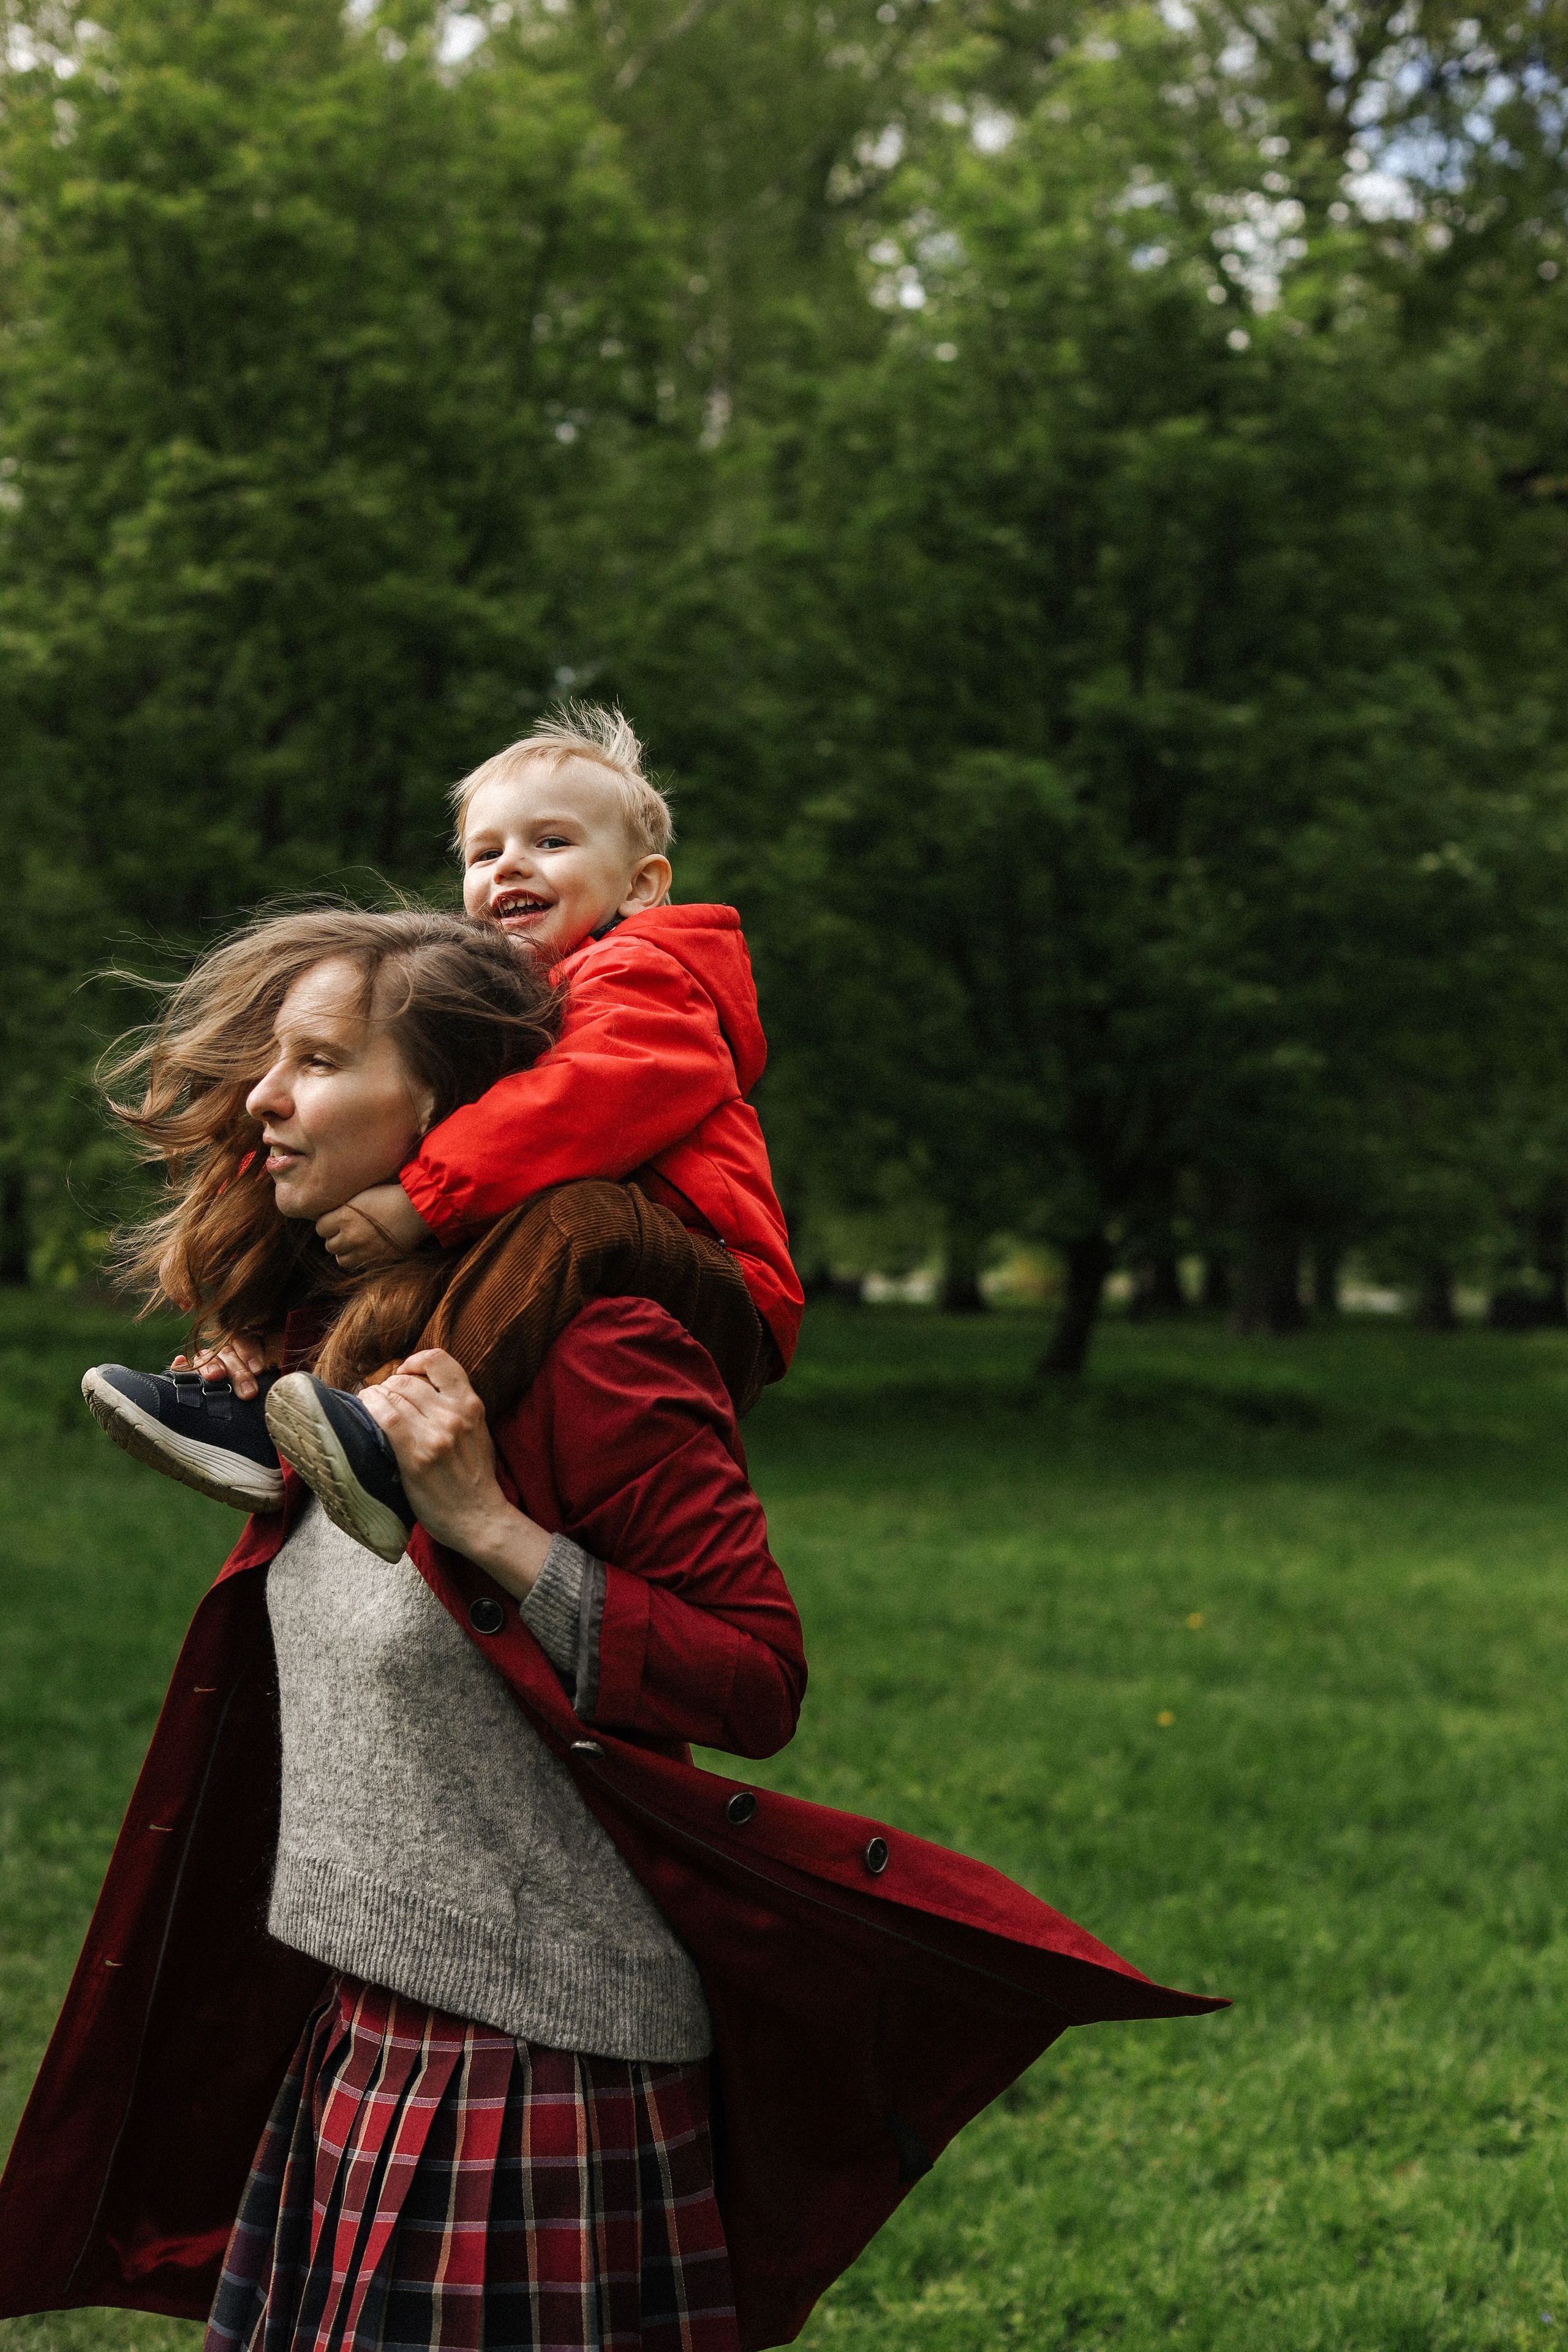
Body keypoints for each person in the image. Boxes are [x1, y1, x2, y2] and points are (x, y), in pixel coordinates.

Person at [1, 908, 1224, 2352]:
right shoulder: (356, 1350)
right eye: (270, 1062)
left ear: (450, 1108)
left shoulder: (591, 1344)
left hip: (526, 2068)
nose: (267, 1097)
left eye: (318, 1060)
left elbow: (756, 1674)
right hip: (358, 2035)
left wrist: (494, 1529)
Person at [82, 704, 805, 1562]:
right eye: (484, 852)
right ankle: (259, 1400)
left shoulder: (653, 979)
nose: (510, 867)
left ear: (643, 886)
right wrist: (247, 1299)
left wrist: (423, 1197)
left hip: (720, 1283)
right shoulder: (515, 995)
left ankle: (393, 1447)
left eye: (551, 843)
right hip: (562, 1263)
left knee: (577, 1217)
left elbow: (586, 1102)